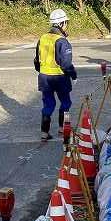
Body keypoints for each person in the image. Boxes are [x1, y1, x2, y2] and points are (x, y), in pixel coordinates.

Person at [34, 8, 77, 141]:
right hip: (60, 78)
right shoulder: (62, 41)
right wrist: (73, 75)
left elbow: (36, 60)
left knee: (48, 104)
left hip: (44, 78)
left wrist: (42, 71)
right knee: (66, 103)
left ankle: (44, 132)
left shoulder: (42, 38)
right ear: (61, 23)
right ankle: (63, 128)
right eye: (66, 23)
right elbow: (66, 64)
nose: (66, 25)